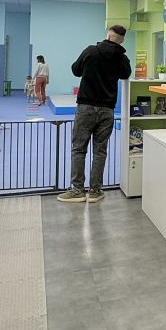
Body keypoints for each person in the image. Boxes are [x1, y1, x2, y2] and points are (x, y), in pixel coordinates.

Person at [57, 25, 131, 203]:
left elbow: (75, 70)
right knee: (100, 151)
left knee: (78, 149)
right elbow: (126, 74)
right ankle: (95, 191)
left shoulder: (91, 51)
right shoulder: (122, 58)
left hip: (86, 107)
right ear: (121, 40)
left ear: (108, 36)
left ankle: (77, 190)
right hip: (107, 110)